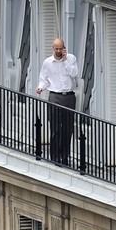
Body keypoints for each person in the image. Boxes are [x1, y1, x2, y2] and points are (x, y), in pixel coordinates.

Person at [35, 37, 79, 166]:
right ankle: (55, 156)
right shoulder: (47, 62)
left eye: (61, 48)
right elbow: (44, 79)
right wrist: (40, 88)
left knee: (67, 128)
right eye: (56, 49)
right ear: (53, 48)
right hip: (55, 95)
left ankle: (65, 156)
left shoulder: (71, 59)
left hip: (69, 96)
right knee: (55, 128)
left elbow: (74, 73)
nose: (59, 51)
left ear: (64, 48)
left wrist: (65, 61)